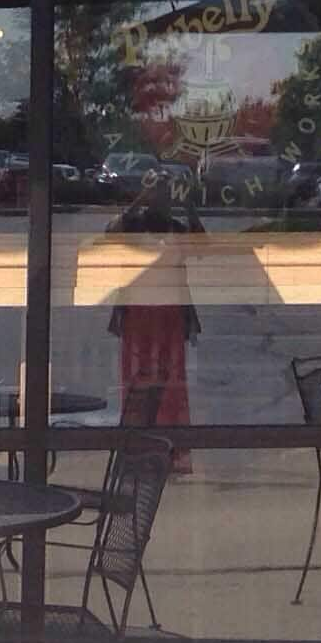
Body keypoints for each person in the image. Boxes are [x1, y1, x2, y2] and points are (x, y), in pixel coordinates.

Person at [109, 188, 201, 475]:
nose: (160, 204)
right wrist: (135, 202)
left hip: (169, 315)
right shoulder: (133, 228)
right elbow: (109, 234)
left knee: (170, 381)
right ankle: (138, 447)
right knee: (138, 379)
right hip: (138, 314)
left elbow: (203, 246)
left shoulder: (176, 228)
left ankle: (169, 448)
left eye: (163, 197)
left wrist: (190, 210)